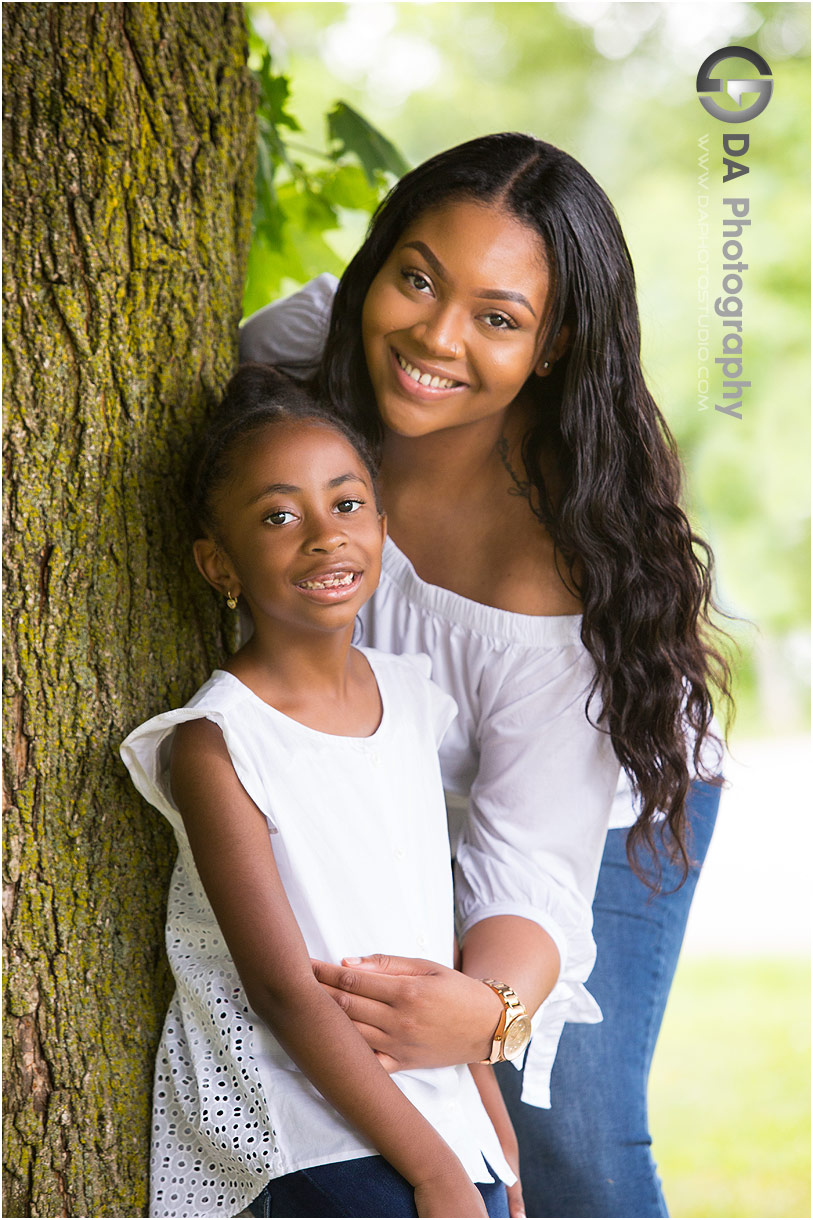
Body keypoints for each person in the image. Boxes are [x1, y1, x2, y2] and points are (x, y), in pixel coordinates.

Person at [239, 132, 729, 1218]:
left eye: (497, 317)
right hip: (408, 784)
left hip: (610, 787)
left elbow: (529, 871)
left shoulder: (552, 582)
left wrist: (492, 1011)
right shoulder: (310, 353)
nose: (434, 335)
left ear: (553, 347)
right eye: (417, 277)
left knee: (572, 1140)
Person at [120, 367, 518, 1219]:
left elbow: (427, 930)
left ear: (381, 523)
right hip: (304, 1122)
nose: (323, 536)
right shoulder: (216, 742)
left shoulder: (410, 697)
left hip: (438, 1113)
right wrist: (436, 1171)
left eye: (344, 505)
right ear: (217, 563)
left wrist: (491, 1135)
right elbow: (282, 991)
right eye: (277, 516)